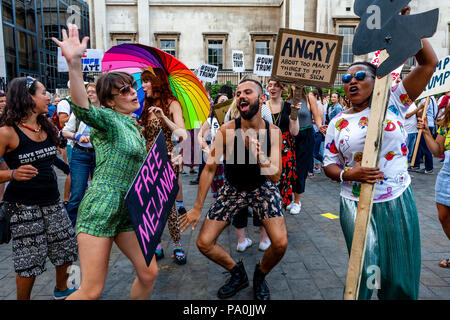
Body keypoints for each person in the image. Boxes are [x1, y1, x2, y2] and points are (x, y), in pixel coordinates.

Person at [323, 38, 438, 299]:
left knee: (398, 273)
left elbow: (429, 63)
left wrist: (406, 30)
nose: (352, 81)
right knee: (365, 269)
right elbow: (328, 164)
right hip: (355, 201)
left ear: (377, 81)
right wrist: (348, 174)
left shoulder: (394, 102)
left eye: (360, 75)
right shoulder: (338, 122)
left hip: (396, 199)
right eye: (347, 78)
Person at [53, 24, 158, 300]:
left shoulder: (132, 124)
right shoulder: (108, 120)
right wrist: (74, 65)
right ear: (110, 102)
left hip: (128, 208)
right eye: (124, 90)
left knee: (149, 273)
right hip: (101, 205)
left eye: (132, 86)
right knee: (90, 291)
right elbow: (81, 108)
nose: (133, 92)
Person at [179, 78, 288, 301]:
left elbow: (276, 176)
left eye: (248, 92)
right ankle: (238, 274)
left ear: (262, 98)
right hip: (233, 188)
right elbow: (209, 169)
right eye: (238, 93)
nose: (241, 96)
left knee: (280, 243)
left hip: (262, 187)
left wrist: (259, 156)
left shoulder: (273, 131)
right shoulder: (227, 131)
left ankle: (260, 275)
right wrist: (197, 208)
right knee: (203, 243)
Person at [0, 76, 78, 300]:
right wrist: (12, 174)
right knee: (29, 260)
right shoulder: (6, 132)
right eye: (43, 92)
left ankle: (64, 290)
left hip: (52, 202)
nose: (49, 97)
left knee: (67, 247)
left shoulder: (46, 125)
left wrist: (66, 167)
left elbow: (46, 158)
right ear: (28, 97)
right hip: (23, 206)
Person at [140, 68, 188, 265]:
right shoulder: (146, 104)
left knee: (167, 205)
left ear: (156, 81)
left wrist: (163, 117)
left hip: (167, 157)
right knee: (151, 205)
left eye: (146, 81)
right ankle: (157, 243)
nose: (142, 86)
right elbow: (146, 134)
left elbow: (182, 135)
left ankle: (177, 244)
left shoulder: (172, 104)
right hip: (147, 160)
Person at [417, 102, 450, 268]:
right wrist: (426, 132)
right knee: (443, 217)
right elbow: (437, 151)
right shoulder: (448, 123)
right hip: (446, 175)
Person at [61, 82, 99, 227]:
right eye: (87, 92)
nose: (90, 94)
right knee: (77, 193)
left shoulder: (106, 112)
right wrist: (77, 137)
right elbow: (64, 132)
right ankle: (71, 229)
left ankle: (94, 226)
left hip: (100, 155)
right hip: (80, 154)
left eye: (93, 92)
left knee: (98, 192)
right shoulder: (79, 112)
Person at [287, 86, 323, 215]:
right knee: (290, 169)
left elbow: (316, 116)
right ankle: (291, 198)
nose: (295, 85)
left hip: (306, 136)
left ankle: (297, 201)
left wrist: (319, 126)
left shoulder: (309, 98)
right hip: (291, 137)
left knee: (300, 170)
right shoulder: (287, 101)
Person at [411, 95, 438, 173]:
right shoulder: (433, 99)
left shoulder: (426, 98)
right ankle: (416, 165)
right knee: (420, 145)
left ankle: (429, 168)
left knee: (425, 147)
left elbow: (421, 112)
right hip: (431, 123)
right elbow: (435, 112)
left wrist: (416, 113)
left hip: (425, 124)